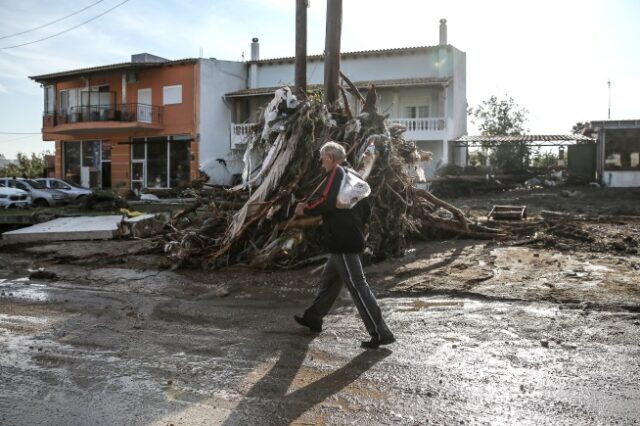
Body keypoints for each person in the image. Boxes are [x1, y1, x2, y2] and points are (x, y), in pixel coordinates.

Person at [293, 141, 395, 349]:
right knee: (330, 281)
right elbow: (366, 207)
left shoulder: (337, 173)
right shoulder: (354, 175)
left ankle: (380, 331)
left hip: (342, 240)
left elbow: (326, 201)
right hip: (347, 236)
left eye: (322, 159)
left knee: (358, 286)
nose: (321, 163)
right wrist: (356, 225)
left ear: (330, 158)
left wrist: (305, 209)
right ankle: (314, 317)